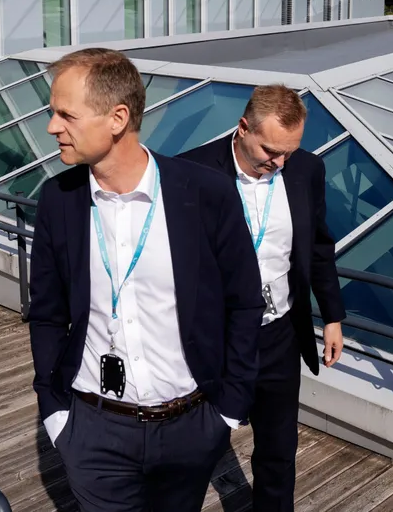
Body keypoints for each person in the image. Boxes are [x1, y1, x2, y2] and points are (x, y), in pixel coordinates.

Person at [28, 48, 264, 512]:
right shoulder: (58, 199)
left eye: (66, 115)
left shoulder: (205, 193)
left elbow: (244, 303)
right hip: (92, 430)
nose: (53, 127)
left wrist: (228, 411)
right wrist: (56, 414)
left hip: (191, 427)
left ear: (117, 118)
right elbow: (47, 314)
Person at [179, 84, 346, 512]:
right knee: (194, 449)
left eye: (289, 152)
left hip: (279, 336)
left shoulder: (306, 170)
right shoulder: (191, 172)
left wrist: (332, 317)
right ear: (242, 128)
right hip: (216, 339)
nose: (280, 163)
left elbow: (318, 246)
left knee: (278, 449)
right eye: (271, 151)